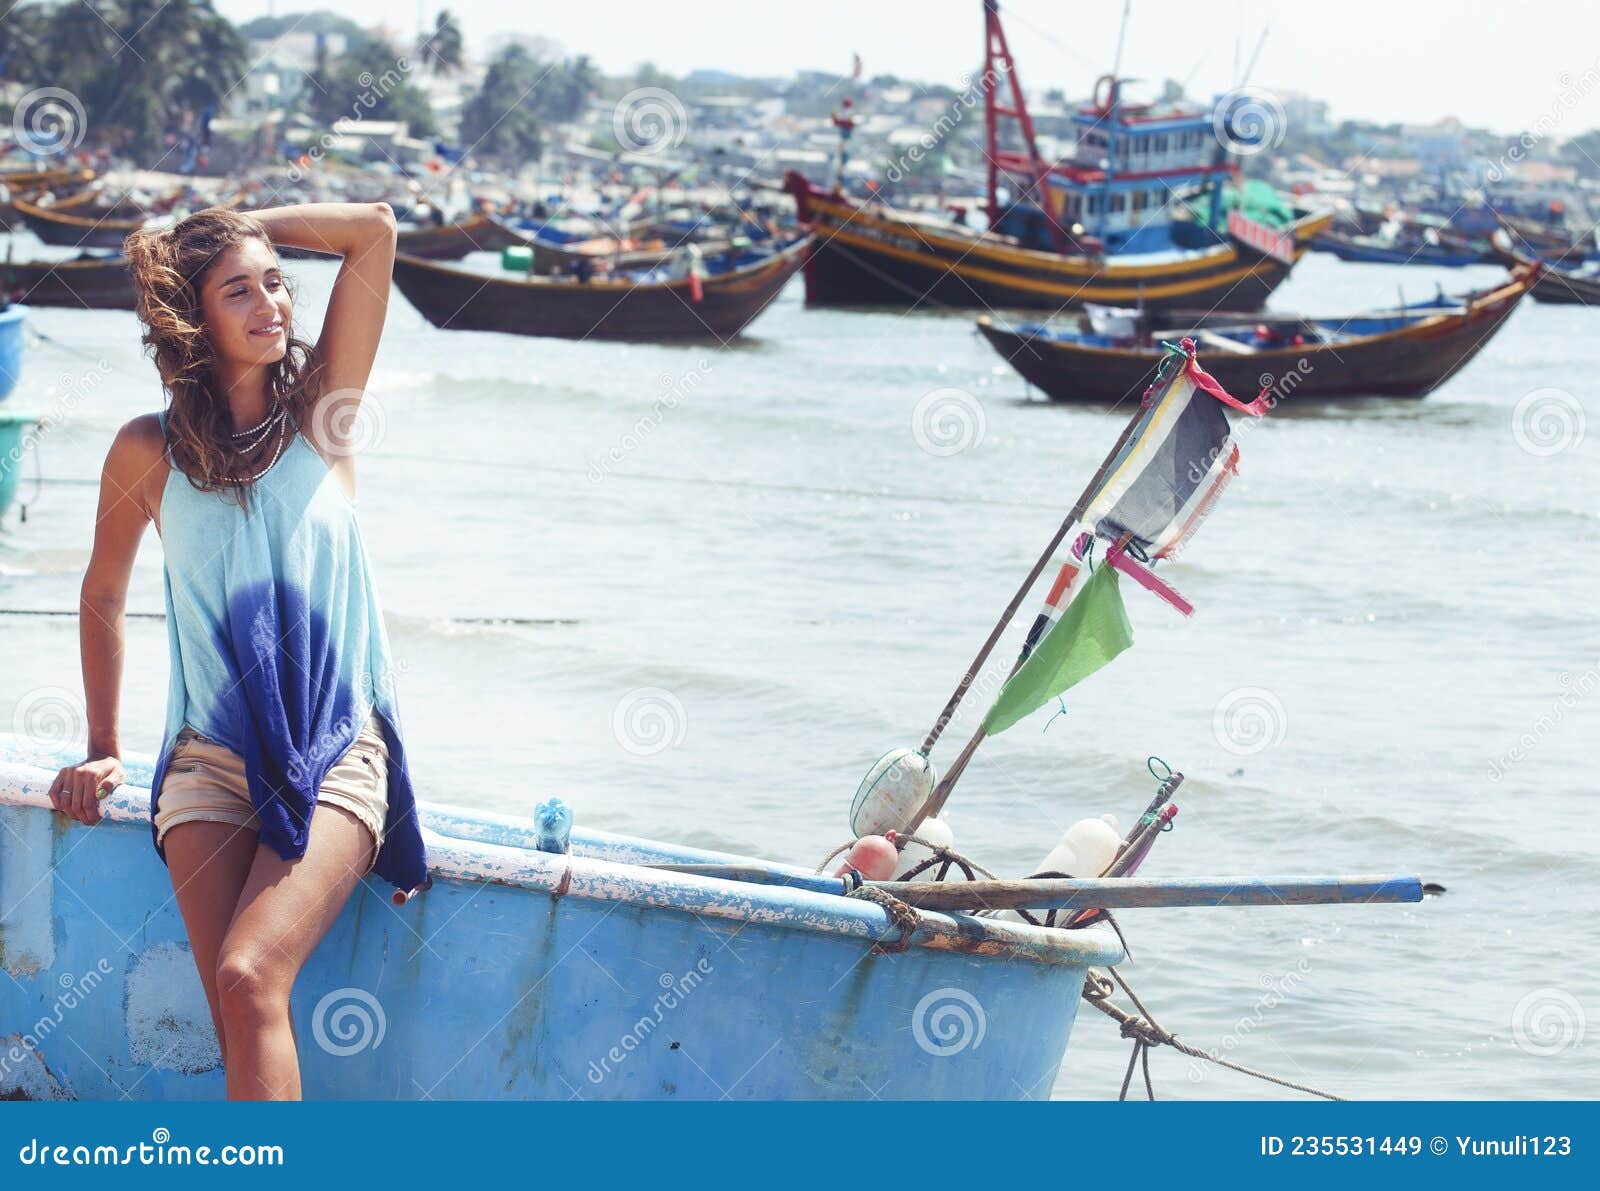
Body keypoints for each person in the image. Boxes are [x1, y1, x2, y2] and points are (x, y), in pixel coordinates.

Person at [48, 202, 428, 1100]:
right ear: (192, 318)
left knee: (250, 974)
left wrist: (239, 221)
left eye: (273, 282)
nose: (271, 303)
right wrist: (105, 741)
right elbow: (103, 591)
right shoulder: (148, 450)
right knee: (237, 1013)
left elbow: (374, 229)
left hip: (336, 750)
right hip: (207, 760)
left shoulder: (323, 412)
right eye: (237, 289)